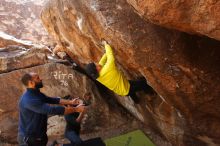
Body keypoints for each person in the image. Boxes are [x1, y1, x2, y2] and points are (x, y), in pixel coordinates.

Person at [18, 72, 85, 146]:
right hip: (29, 140)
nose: (41, 79)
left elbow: (51, 99)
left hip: (39, 136)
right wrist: (76, 109)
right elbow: (51, 110)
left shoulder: (36, 93)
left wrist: (71, 102)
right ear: (31, 83)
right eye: (37, 78)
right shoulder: (29, 100)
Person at [85, 40, 153, 104]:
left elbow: (101, 62)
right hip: (127, 88)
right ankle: (150, 94)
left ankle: (136, 101)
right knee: (143, 83)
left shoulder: (97, 77)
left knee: (130, 92)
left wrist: (106, 52)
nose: (97, 63)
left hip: (121, 89)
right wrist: (106, 45)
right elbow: (110, 56)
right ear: (97, 69)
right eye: (95, 65)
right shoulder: (108, 68)